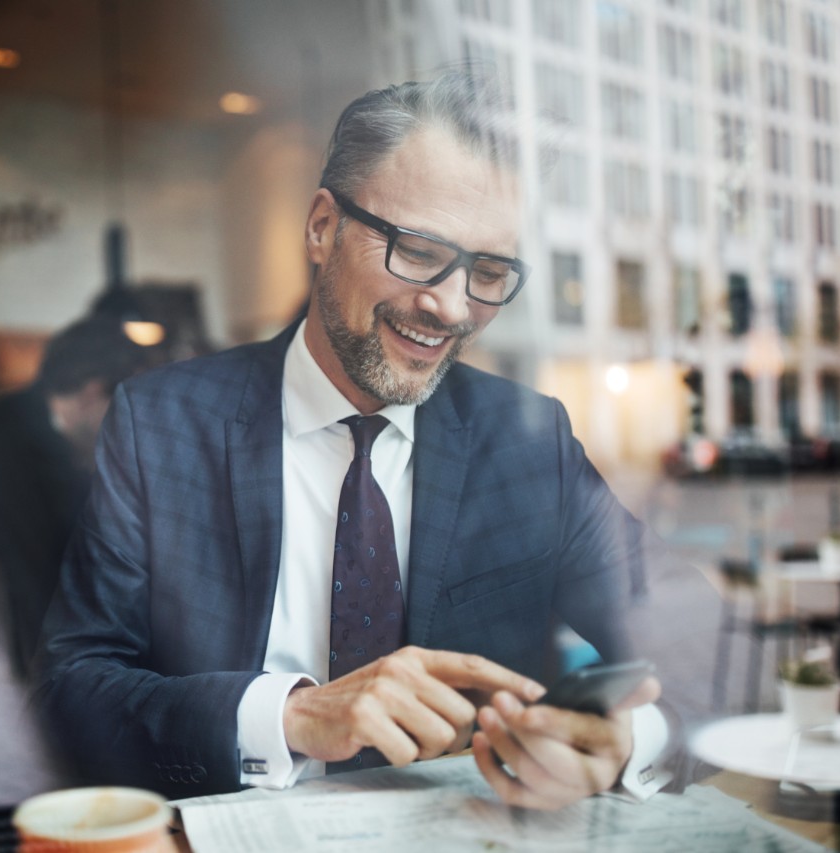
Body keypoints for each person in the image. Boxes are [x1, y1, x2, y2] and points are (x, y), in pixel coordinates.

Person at [34, 71, 667, 807]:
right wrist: (290, 715)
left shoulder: (530, 440)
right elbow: (70, 686)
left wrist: (624, 739)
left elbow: (666, 643)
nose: (452, 306)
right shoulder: (160, 424)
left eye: (489, 270)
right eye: (421, 250)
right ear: (321, 227)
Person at [0, 315, 151, 679]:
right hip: (22, 669)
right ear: (94, 393)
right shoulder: (33, 457)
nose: (128, 433)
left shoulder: (10, 426)